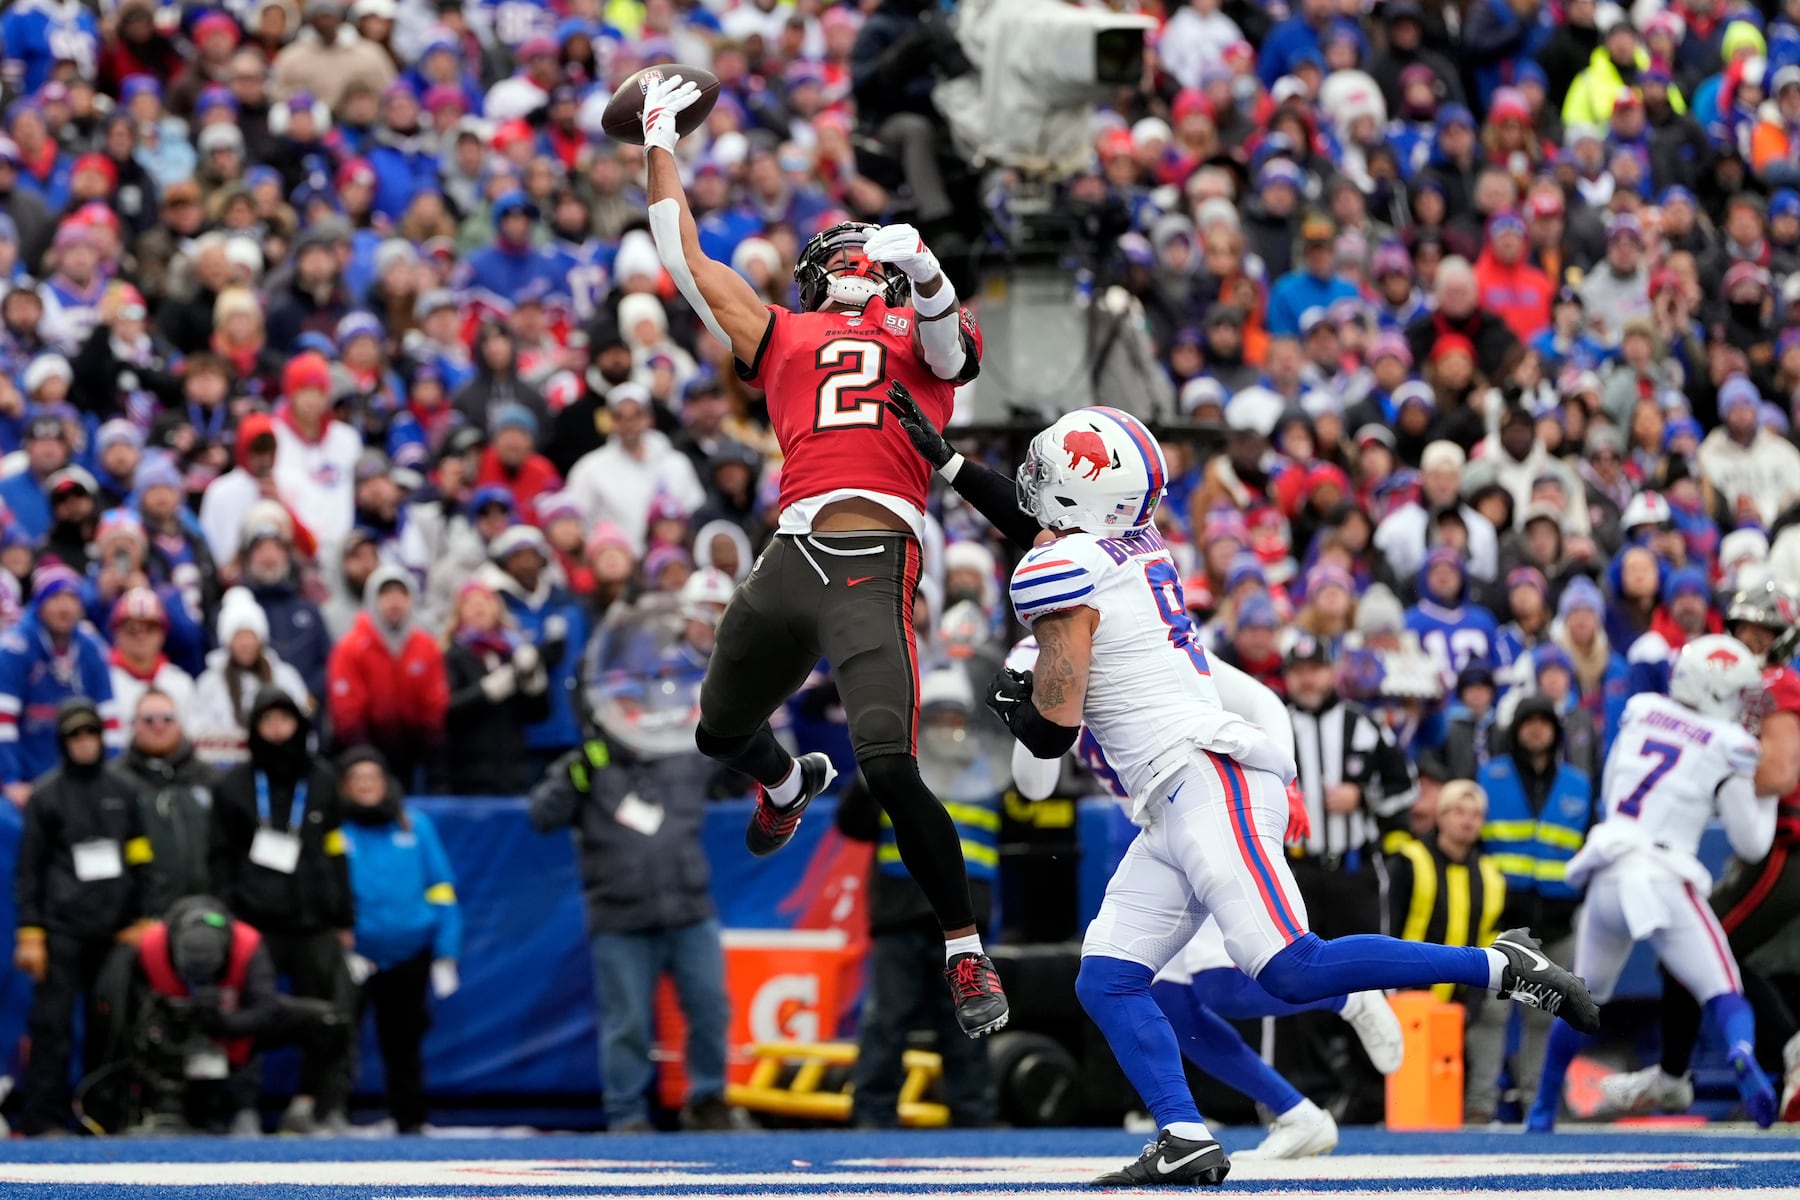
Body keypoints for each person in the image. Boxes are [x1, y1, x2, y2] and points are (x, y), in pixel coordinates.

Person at [892, 399, 1594, 1184]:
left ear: (1081, 504)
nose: (1033, 485)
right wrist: (951, 466)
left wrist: (1018, 706)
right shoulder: (1130, 543)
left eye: (1049, 476)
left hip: (1205, 776)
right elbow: (1040, 533)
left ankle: (1497, 965)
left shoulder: (1058, 574)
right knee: (1108, 976)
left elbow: (1052, 734)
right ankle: (1184, 1135)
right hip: (1173, 795)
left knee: (1289, 968)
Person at [639, 73, 1005, 1037]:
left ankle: (964, 953)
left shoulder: (923, 333)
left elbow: (957, 353)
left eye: (862, 256)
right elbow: (683, 260)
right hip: (788, 553)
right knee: (718, 732)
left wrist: (925, 272)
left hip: (873, 564)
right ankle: (785, 779)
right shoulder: (786, 331)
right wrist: (657, 137)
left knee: (889, 767)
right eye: (835, 257)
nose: (848, 266)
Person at [1008, 639, 1404, 1160]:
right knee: (1174, 1003)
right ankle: (1297, 1114)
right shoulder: (1031, 656)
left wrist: (1287, 782)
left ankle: (1349, 997)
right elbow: (1034, 785)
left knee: (1226, 986)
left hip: (1209, 804)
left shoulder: (1138, 624)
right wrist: (1036, 706)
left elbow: (1260, 700)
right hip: (1158, 833)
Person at [1530, 636, 1777, 1131]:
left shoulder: (1641, 710)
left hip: (1608, 864)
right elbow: (1751, 843)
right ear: (1715, 688)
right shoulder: (1729, 745)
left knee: (1581, 994)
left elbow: (1610, 790)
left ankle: (1540, 1110)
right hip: (1663, 873)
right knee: (1723, 990)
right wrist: (1769, 796)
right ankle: (1742, 1053)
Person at [1602, 584, 1800, 1119]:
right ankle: (1693, 1069)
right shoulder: (1743, 689)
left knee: (1705, 952)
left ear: (1783, 641)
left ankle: (1681, 1074)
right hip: (1773, 844)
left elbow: (1781, 771)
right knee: (1709, 954)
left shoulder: (1775, 685)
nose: (1750, 645)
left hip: (1786, 843)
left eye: (1763, 635)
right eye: (1743, 633)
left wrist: (1709, 769)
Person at [528, 700, 750, 1132]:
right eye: (621, 709)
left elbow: (737, 775)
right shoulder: (587, 764)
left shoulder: (683, 755)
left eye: (636, 708)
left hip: (689, 909)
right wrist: (578, 774)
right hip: (621, 916)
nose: (631, 717)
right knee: (626, 1019)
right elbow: (542, 815)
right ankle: (626, 1113)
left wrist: (743, 722)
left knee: (710, 1008)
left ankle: (707, 1101)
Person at [835, 668, 1001, 1130]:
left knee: (969, 1020)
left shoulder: (989, 766)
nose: (948, 726)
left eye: (956, 716)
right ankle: (872, 1115)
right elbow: (851, 823)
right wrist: (872, 773)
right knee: (887, 1019)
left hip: (964, 920)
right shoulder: (898, 767)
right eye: (938, 717)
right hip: (901, 912)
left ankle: (974, 1117)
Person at [207, 685, 355, 1136]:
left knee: (330, 1013)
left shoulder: (324, 780)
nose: (276, 729)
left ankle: (317, 1105)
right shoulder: (233, 784)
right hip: (254, 925)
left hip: (314, 922)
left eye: (284, 720)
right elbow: (219, 856)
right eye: (267, 720)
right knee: (248, 1015)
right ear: (254, 727)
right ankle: (244, 1107)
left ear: (298, 725)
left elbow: (335, 851)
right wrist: (229, 918)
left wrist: (342, 916)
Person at [12, 697, 153, 1136]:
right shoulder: (46, 795)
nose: (85, 742)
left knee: (111, 1026)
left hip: (114, 932)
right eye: (75, 734)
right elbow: (29, 868)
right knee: (51, 1027)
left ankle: (105, 1117)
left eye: (91, 732)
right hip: (60, 931)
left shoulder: (125, 791)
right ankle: (43, 1119)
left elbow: (141, 858)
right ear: (63, 740)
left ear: (101, 736)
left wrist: (142, 916)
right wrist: (30, 931)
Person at [338, 746, 461, 1135]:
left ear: (386, 782)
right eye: (357, 780)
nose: (366, 786)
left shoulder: (416, 826)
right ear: (344, 787)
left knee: (404, 1041)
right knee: (337, 1036)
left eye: (372, 778)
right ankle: (331, 1115)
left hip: (411, 951)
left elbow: (441, 888)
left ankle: (410, 1121)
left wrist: (446, 952)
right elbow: (321, 892)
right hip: (354, 954)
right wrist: (339, 947)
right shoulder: (335, 833)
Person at [1384, 779, 1509, 1120]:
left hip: (1460, 998)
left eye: (1476, 814)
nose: (1467, 821)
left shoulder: (1491, 875)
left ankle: (1481, 1105)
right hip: (1407, 991)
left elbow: (1488, 941)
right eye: (1458, 812)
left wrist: (1475, 997)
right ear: (1440, 816)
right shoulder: (1409, 860)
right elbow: (1388, 926)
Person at [0, 564, 120, 806]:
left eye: (72, 597)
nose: (65, 607)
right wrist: (10, 781)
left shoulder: (92, 647)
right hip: (27, 780)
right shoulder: (15, 648)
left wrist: (112, 777)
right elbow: (3, 721)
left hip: (80, 778)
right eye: (55, 597)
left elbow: (110, 720)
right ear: (39, 604)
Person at [325, 565, 449, 788]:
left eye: (401, 594)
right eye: (386, 594)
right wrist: (367, 761)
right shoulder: (350, 648)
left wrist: (433, 759)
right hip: (366, 748)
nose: (395, 602)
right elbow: (348, 714)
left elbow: (434, 706)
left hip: (415, 751)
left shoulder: (426, 646)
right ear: (373, 599)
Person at [440, 578, 549, 795]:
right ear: (459, 613)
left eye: (485, 601)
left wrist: (534, 683)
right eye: (470, 603)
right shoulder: (451, 656)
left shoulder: (512, 652)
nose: (479, 607)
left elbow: (538, 715)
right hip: (468, 773)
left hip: (513, 770)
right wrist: (486, 691)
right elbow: (446, 711)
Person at [118, 688, 219, 917]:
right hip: (141, 917)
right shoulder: (116, 782)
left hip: (205, 910)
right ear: (134, 725)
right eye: (149, 720)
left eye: (167, 718)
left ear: (180, 724)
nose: (158, 726)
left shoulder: (210, 778)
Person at [190, 588, 311, 769]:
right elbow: (199, 730)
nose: (245, 644)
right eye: (238, 636)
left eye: (250, 636)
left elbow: (302, 719)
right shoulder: (209, 683)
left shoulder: (285, 676)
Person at [107, 587, 197, 729]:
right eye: (132, 627)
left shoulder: (180, 682)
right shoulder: (104, 681)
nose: (141, 635)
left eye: (150, 627)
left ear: (163, 633)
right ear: (117, 632)